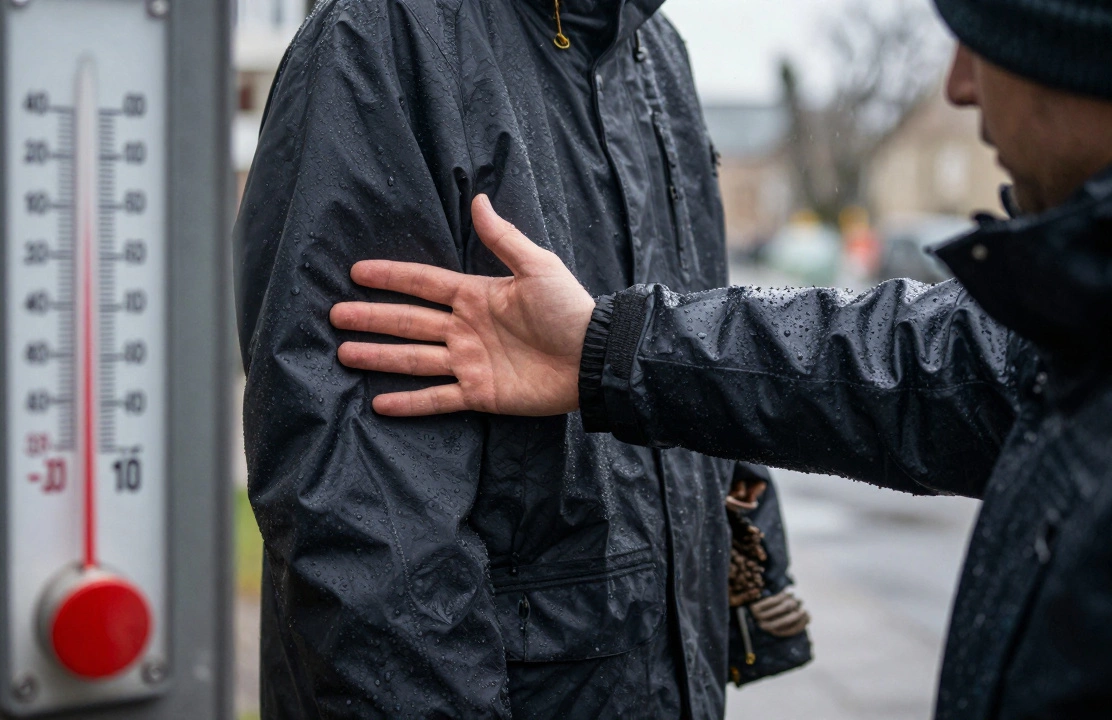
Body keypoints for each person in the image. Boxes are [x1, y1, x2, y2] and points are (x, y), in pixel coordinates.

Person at [329, 0, 1112, 716]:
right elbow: (931, 364)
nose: (958, 85)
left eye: (991, 38)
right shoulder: (384, 39)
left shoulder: (651, 52)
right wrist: (614, 346)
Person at [233, 0, 812, 716]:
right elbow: (355, 505)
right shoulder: (384, 35)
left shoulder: (655, 48)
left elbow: (700, 311)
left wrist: (753, 578)